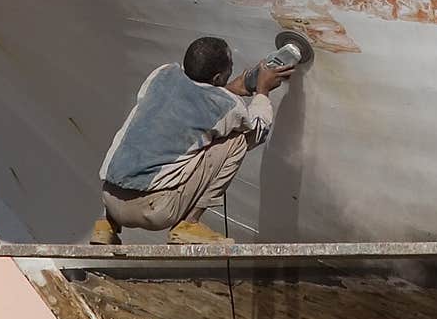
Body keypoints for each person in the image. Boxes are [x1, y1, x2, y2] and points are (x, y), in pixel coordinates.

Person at [90, 35, 293, 246]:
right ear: (216, 78)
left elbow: (193, 102)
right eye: (230, 66)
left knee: (147, 128)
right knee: (237, 141)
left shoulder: (162, 74)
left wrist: (228, 89)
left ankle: (106, 226)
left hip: (110, 198)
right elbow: (258, 131)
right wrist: (262, 91)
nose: (233, 67)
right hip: (154, 210)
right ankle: (189, 225)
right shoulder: (228, 106)